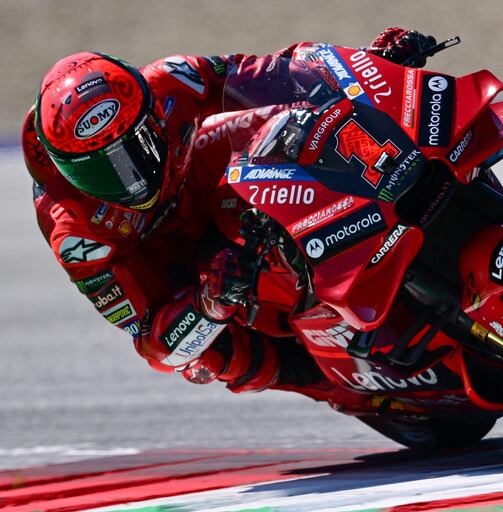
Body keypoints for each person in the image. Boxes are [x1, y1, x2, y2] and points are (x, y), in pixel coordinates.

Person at [22, 28, 436, 393]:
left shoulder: (172, 80)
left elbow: (274, 73)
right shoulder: (75, 233)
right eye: (102, 172)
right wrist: (210, 303)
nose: (130, 179)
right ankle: (322, 378)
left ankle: (385, 208)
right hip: (171, 260)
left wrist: (367, 66)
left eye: (136, 147)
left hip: (197, 173)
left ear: (152, 113)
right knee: (201, 359)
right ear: (67, 171)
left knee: (293, 121)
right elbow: (151, 342)